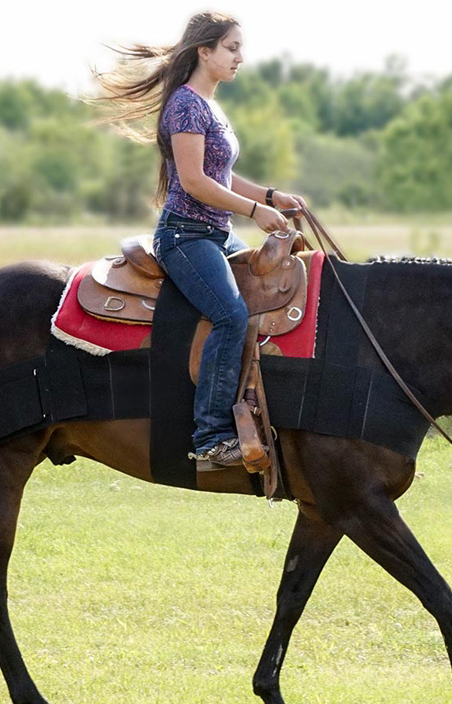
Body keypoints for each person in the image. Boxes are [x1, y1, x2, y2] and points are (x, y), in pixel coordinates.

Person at [90, 12, 306, 471]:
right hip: (185, 238)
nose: (240, 58)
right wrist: (256, 211)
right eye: (231, 48)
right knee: (228, 315)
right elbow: (193, 182)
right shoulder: (187, 105)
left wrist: (270, 195)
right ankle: (210, 437)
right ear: (204, 51)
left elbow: (220, 175)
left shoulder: (209, 106)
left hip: (216, 235)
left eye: (239, 48)